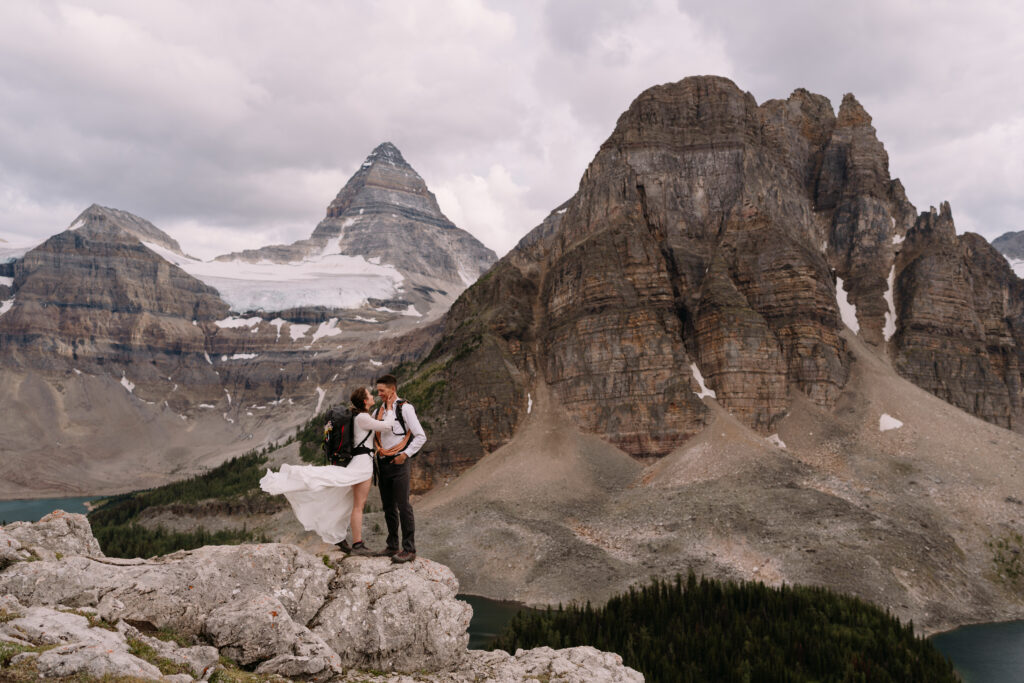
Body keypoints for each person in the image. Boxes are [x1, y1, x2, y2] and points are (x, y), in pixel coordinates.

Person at [259, 387, 394, 555]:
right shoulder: (363, 418)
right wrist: (389, 407)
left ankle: (341, 537)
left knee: (345, 500)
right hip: (363, 466)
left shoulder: (357, 416)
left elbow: (374, 423)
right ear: (365, 401)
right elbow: (388, 426)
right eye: (370, 395)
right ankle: (358, 544)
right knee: (358, 506)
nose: (373, 395)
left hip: (358, 463)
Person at [373, 373, 426, 563]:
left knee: (403, 505)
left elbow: (421, 436)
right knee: (388, 506)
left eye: (382, 390)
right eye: (378, 391)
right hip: (383, 462)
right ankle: (392, 545)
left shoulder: (405, 408)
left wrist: (404, 455)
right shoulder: (379, 410)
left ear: (392, 389)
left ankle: (409, 549)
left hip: (399, 461)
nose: (379, 394)